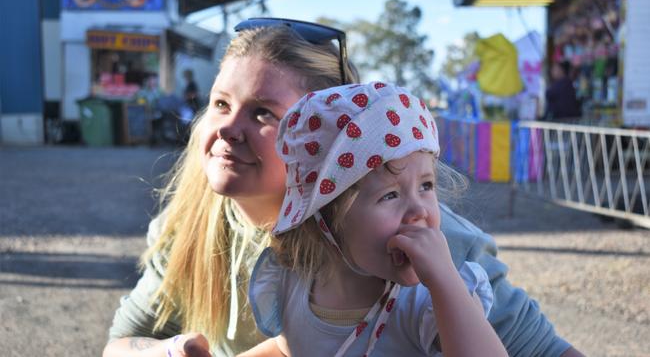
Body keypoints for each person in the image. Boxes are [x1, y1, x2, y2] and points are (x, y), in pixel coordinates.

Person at [103, 18, 585, 357]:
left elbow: (544, 350)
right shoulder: (193, 221)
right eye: (221, 104)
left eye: (264, 113)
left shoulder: (417, 238)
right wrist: (167, 350)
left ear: (324, 141)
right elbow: (121, 342)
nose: (229, 129)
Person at [248, 82, 508, 356]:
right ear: (325, 218)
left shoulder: (429, 303)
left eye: (426, 186)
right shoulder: (294, 285)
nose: (419, 210)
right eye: (390, 195)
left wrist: (445, 281)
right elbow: (286, 347)